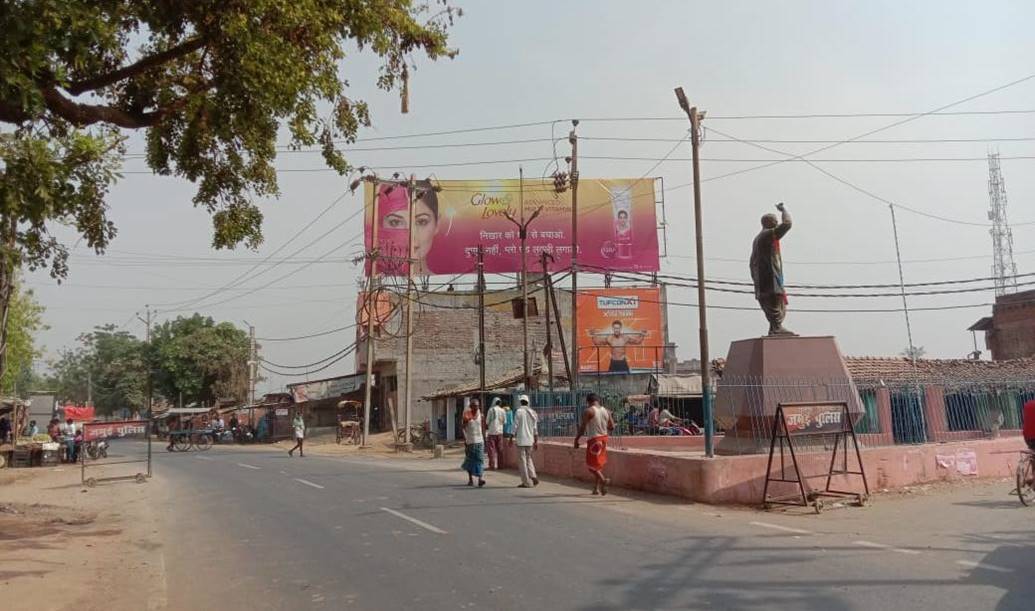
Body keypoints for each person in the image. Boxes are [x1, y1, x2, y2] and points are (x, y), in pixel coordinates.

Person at [376, 180, 440, 276]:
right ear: (379, 226)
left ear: (437, 224)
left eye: (421, 221)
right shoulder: (374, 286)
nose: (409, 236)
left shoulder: (447, 285)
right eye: (395, 222)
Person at [750, 202, 794, 336]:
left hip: (764, 280)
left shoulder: (758, 238)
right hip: (769, 279)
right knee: (776, 304)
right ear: (769, 223)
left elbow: (751, 263)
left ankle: (774, 327)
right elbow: (787, 224)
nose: (777, 223)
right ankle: (776, 327)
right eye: (775, 221)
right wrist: (784, 210)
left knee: (776, 303)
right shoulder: (767, 235)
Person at [574, 393, 614, 495]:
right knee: (598, 465)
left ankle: (603, 480)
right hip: (604, 438)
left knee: (591, 465)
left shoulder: (589, 411)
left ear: (588, 401)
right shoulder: (606, 411)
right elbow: (612, 426)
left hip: (594, 440)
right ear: (598, 400)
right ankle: (596, 488)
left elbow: (582, 428)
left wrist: (576, 440)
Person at [511, 394, 539, 488]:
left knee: (522, 461)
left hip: (521, 440)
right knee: (529, 459)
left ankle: (526, 482)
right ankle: (533, 475)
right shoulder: (533, 412)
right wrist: (536, 441)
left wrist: (511, 438)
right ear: (528, 402)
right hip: (530, 440)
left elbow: (515, 426)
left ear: (520, 402)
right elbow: (535, 429)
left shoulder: (519, 411)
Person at [460, 399, 486, 487]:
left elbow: (483, 428)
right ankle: (470, 479)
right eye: (474, 406)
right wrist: (465, 439)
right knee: (470, 461)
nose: (476, 407)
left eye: (477, 406)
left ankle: (480, 479)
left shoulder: (481, 415)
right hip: (470, 441)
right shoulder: (466, 416)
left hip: (479, 441)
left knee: (480, 460)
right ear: (471, 407)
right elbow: (463, 428)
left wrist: (484, 438)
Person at [484, 398, 506, 470]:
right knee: (500, 449)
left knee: (491, 450)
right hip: (500, 432)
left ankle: (492, 465)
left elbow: (487, 421)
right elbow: (504, 422)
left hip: (492, 432)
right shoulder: (503, 410)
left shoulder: (491, 410)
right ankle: (501, 465)